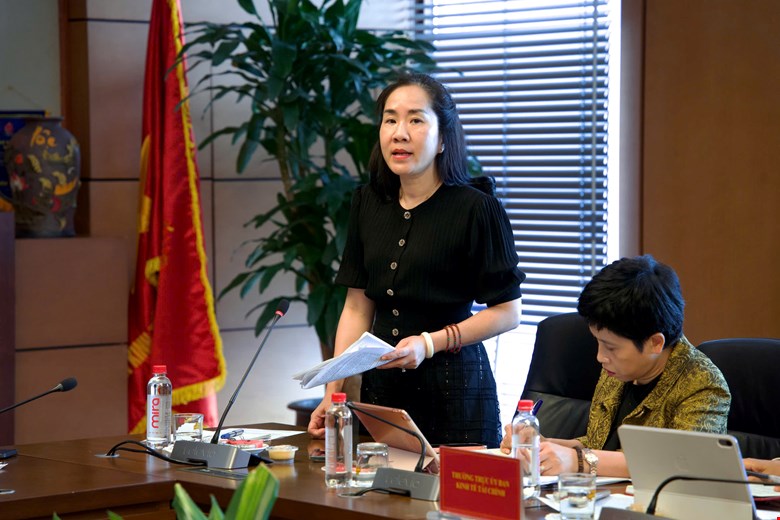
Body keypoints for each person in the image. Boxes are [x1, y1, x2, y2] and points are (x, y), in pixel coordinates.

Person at [306, 73, 525, 448]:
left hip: (455, 391)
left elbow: (508, 312)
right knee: (382, 485)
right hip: (384, 390)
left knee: (453, 488)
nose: (399, 133)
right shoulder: (368, 202)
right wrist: (333, 392)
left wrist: (428, 343)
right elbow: (357, 306)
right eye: (390, 120)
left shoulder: (477, 209)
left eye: (416, 120)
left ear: (443, 139)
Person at [501, 255, 731, 477]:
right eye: (598, 343)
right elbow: (600, 444)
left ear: (655, 343)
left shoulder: (703, 385)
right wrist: (543, 446)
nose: (600, 357)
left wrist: (578, 461)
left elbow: (685, 463)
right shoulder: (618, 369)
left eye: (610, 347)